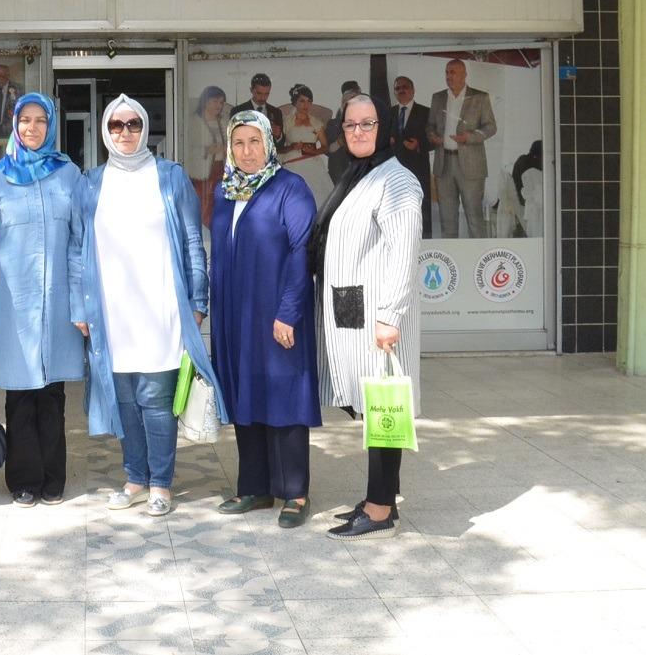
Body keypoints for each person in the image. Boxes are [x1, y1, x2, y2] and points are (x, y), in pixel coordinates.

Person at [69, 95, 227, 518]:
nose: (125, 132)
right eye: (116, 125)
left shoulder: (170, 176)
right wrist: (79, 306)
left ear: (145, 129)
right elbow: (76, 249)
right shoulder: (90, 183)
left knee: (156, 400)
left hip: (161, 310)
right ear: (106, 132)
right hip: (111, 312)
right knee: (124, 399)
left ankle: (160, 483)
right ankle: (135, 479)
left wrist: (197, 300)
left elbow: (193, 241)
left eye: (133, 124)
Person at [311, 93, 423, 540]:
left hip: (378, 316)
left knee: (383, 409)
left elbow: (404, 252)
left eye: (368, 123)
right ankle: (382, 496)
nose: (358, 131)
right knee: (372, 406)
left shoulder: (397, 180)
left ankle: (379, 511)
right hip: (354, 311)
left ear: (384, 127)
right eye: (351, 124)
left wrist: (390, 315)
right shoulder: (359, 174)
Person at [0, 94, 85, 507]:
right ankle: (23, 479)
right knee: (20, 394)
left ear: (50, 126)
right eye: (25, 120)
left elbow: (81, 239)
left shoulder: (69, 173)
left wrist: (82, 300)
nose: (32, 128)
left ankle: (53, 478)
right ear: (15, 125)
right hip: (15, 304)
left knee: (53, 394)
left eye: (40, 120)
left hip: (57, 302)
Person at [210, 112, 321, 528]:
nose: (247, 151)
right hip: (236, 315)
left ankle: (295, 492)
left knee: (285, 394)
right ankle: (255, 487)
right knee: (246, 394)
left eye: (254, 141)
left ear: (269, 143)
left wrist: (288, 313)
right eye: (238, 143)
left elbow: (301, 251)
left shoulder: (290, 188)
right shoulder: (225, 191)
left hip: (277, 315)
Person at [426, 59, 498, 238]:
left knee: (474, 217)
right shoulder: (438, 97)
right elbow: (430, 125)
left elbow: (491, 127)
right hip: (444, 164)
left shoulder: (480, 97)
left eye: (453, 72)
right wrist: (433, 136)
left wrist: (469, 137)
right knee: (447, 218)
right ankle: (451, 255)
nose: (449, 76)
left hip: (471, 165)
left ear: (464, 75)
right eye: (447, 72)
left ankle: (478, 254)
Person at [390, 76, 433, 238]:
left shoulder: (426, 112)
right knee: (396, 207)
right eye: (397, 88)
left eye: (405, 87)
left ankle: (425, 241)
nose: (401, 90)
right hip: (394, 169)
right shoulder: (388, 113)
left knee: (420, 206)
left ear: (413, 90)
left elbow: (435, 139)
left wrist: (419, 144)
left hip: (418, 167)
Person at [278, 83, 331, 206]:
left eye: (309, 101)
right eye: (302, 101)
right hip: (292, 164)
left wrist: (315, 151)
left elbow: (325, 146)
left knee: (317, 198)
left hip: (312, 163)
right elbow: (278, 146)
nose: (306, 105)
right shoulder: (286, 122)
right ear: (295, 103)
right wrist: (291, 147)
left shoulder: (316, 123)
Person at [188, 86, 230, 226]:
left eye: (221, 102)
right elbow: (185, 148)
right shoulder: (193, 121)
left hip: (220, 169)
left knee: (217, 205)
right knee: (203, 206)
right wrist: (206, 150)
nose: (219, 105)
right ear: (205, 101)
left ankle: (215, 230)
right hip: (202, 172)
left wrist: (226, 149)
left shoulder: (222, 121)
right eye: (215, 101)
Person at [232, 74, 285, 149]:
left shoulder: (276, 112)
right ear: (251, 90)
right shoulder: (238, 111)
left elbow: (281, 145)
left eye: (266, 94)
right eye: (259, 93)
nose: (262, 98)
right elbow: (234, 139)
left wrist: (278, 136)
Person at [324, 80, 362, 186]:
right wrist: (339, 143)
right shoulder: (333, 124)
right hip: (339, 173)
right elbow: (326, 149)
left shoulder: (366, 124)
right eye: (347, 101)